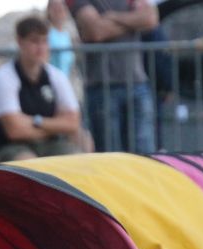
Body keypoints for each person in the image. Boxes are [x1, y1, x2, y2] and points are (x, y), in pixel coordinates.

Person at [0, 15, 82, 162]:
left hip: (51, 144)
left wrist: (35, 121)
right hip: (11, 147)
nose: (41, 47)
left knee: (77, 157)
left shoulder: (55, 76)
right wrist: (54, 126)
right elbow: (15, 131)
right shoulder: (4, 77)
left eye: (45, 41)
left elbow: (73, 123)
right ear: (20, 42)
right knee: (29, 165)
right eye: (34, 41)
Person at [67, 0, 157, 153]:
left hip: (137, 84)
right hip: (102, 88)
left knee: (145, 156)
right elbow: (96, 31)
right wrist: (133, 21)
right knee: (110, 157)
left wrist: (112, 17)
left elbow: (150, 18)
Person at [46, 0, 75, 77]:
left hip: (64, 80)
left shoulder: (66, 35)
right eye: (55, 7)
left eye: (62, 6)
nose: (60, 9)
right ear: (49, 11)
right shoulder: (46, 34)